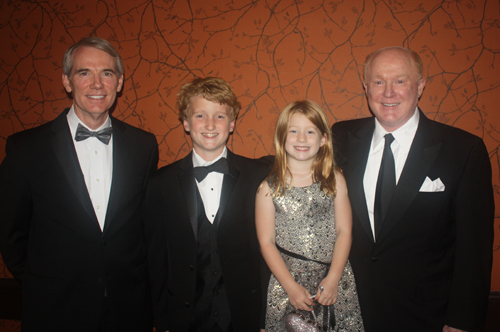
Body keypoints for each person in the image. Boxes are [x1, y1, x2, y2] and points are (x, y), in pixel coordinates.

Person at [0, 37, 158, 331]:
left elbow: (146, 227)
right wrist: (44, 282)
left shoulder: (144, 146)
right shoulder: (27, 148)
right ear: (67, 81)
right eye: (84, 73)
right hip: (55, 310)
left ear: (119, 82)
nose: (97, 84)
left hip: (129, 311)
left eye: (107, 73)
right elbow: (10, 233)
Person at [331, 46, 494, 332]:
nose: (389, 92)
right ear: (366, 87)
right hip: (349, 312)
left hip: (425, 316)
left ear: (420, 87)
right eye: (379, 81)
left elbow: (474, 248)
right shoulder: (340, 136)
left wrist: (462, 322)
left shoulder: (463, 150)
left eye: (401, 81)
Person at [144, 77, 270, 332]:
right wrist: (161, 320)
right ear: (186, 123)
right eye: (200, 115)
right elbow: (156, 259)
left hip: (244, 314)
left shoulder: (259, 175)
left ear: (232, 123)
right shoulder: (161, 183)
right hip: (184, 316)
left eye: (220, 116)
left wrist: (265, 318)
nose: (210, 124)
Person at [256, 100, 364, 331]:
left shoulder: (335, 180)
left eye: (310, 131)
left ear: (323, 139)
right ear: (282, 137)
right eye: (293, 131)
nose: (302, 138)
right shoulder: (268, 188)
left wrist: (334, 278)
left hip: (334, 279)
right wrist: (290, 287)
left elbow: (344, 231)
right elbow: (266, 242)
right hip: (288, 285)